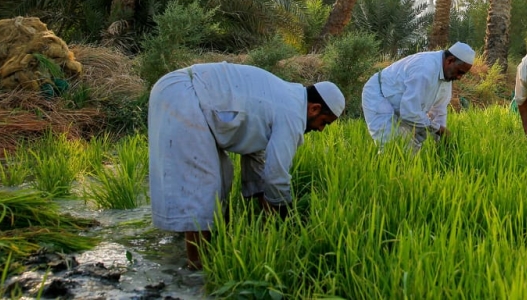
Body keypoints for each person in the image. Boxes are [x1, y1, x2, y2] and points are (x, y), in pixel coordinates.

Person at [148, 62, 344, 268]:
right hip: (184, 95)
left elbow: (258, 164)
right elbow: (276, 175)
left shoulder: (282, 99)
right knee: (204, 185)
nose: (321, 130)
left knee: (222, 178)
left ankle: (211, 248)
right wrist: (288, 219)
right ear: (314, 108)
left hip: (184, 91)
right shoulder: (293, 113)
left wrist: (275, 230)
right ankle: (197, 268)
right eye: (324, 122)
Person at [361, 42, 474, 151]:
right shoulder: (425, 69)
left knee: (411, 150)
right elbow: (409, 113)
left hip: (402, 106)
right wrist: (438, 129)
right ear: (450, 61)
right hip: (379, 95)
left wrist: (441, 142)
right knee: (391, 147)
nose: (459, 78)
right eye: (460, 72)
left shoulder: (446, 77)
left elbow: (439, 111)